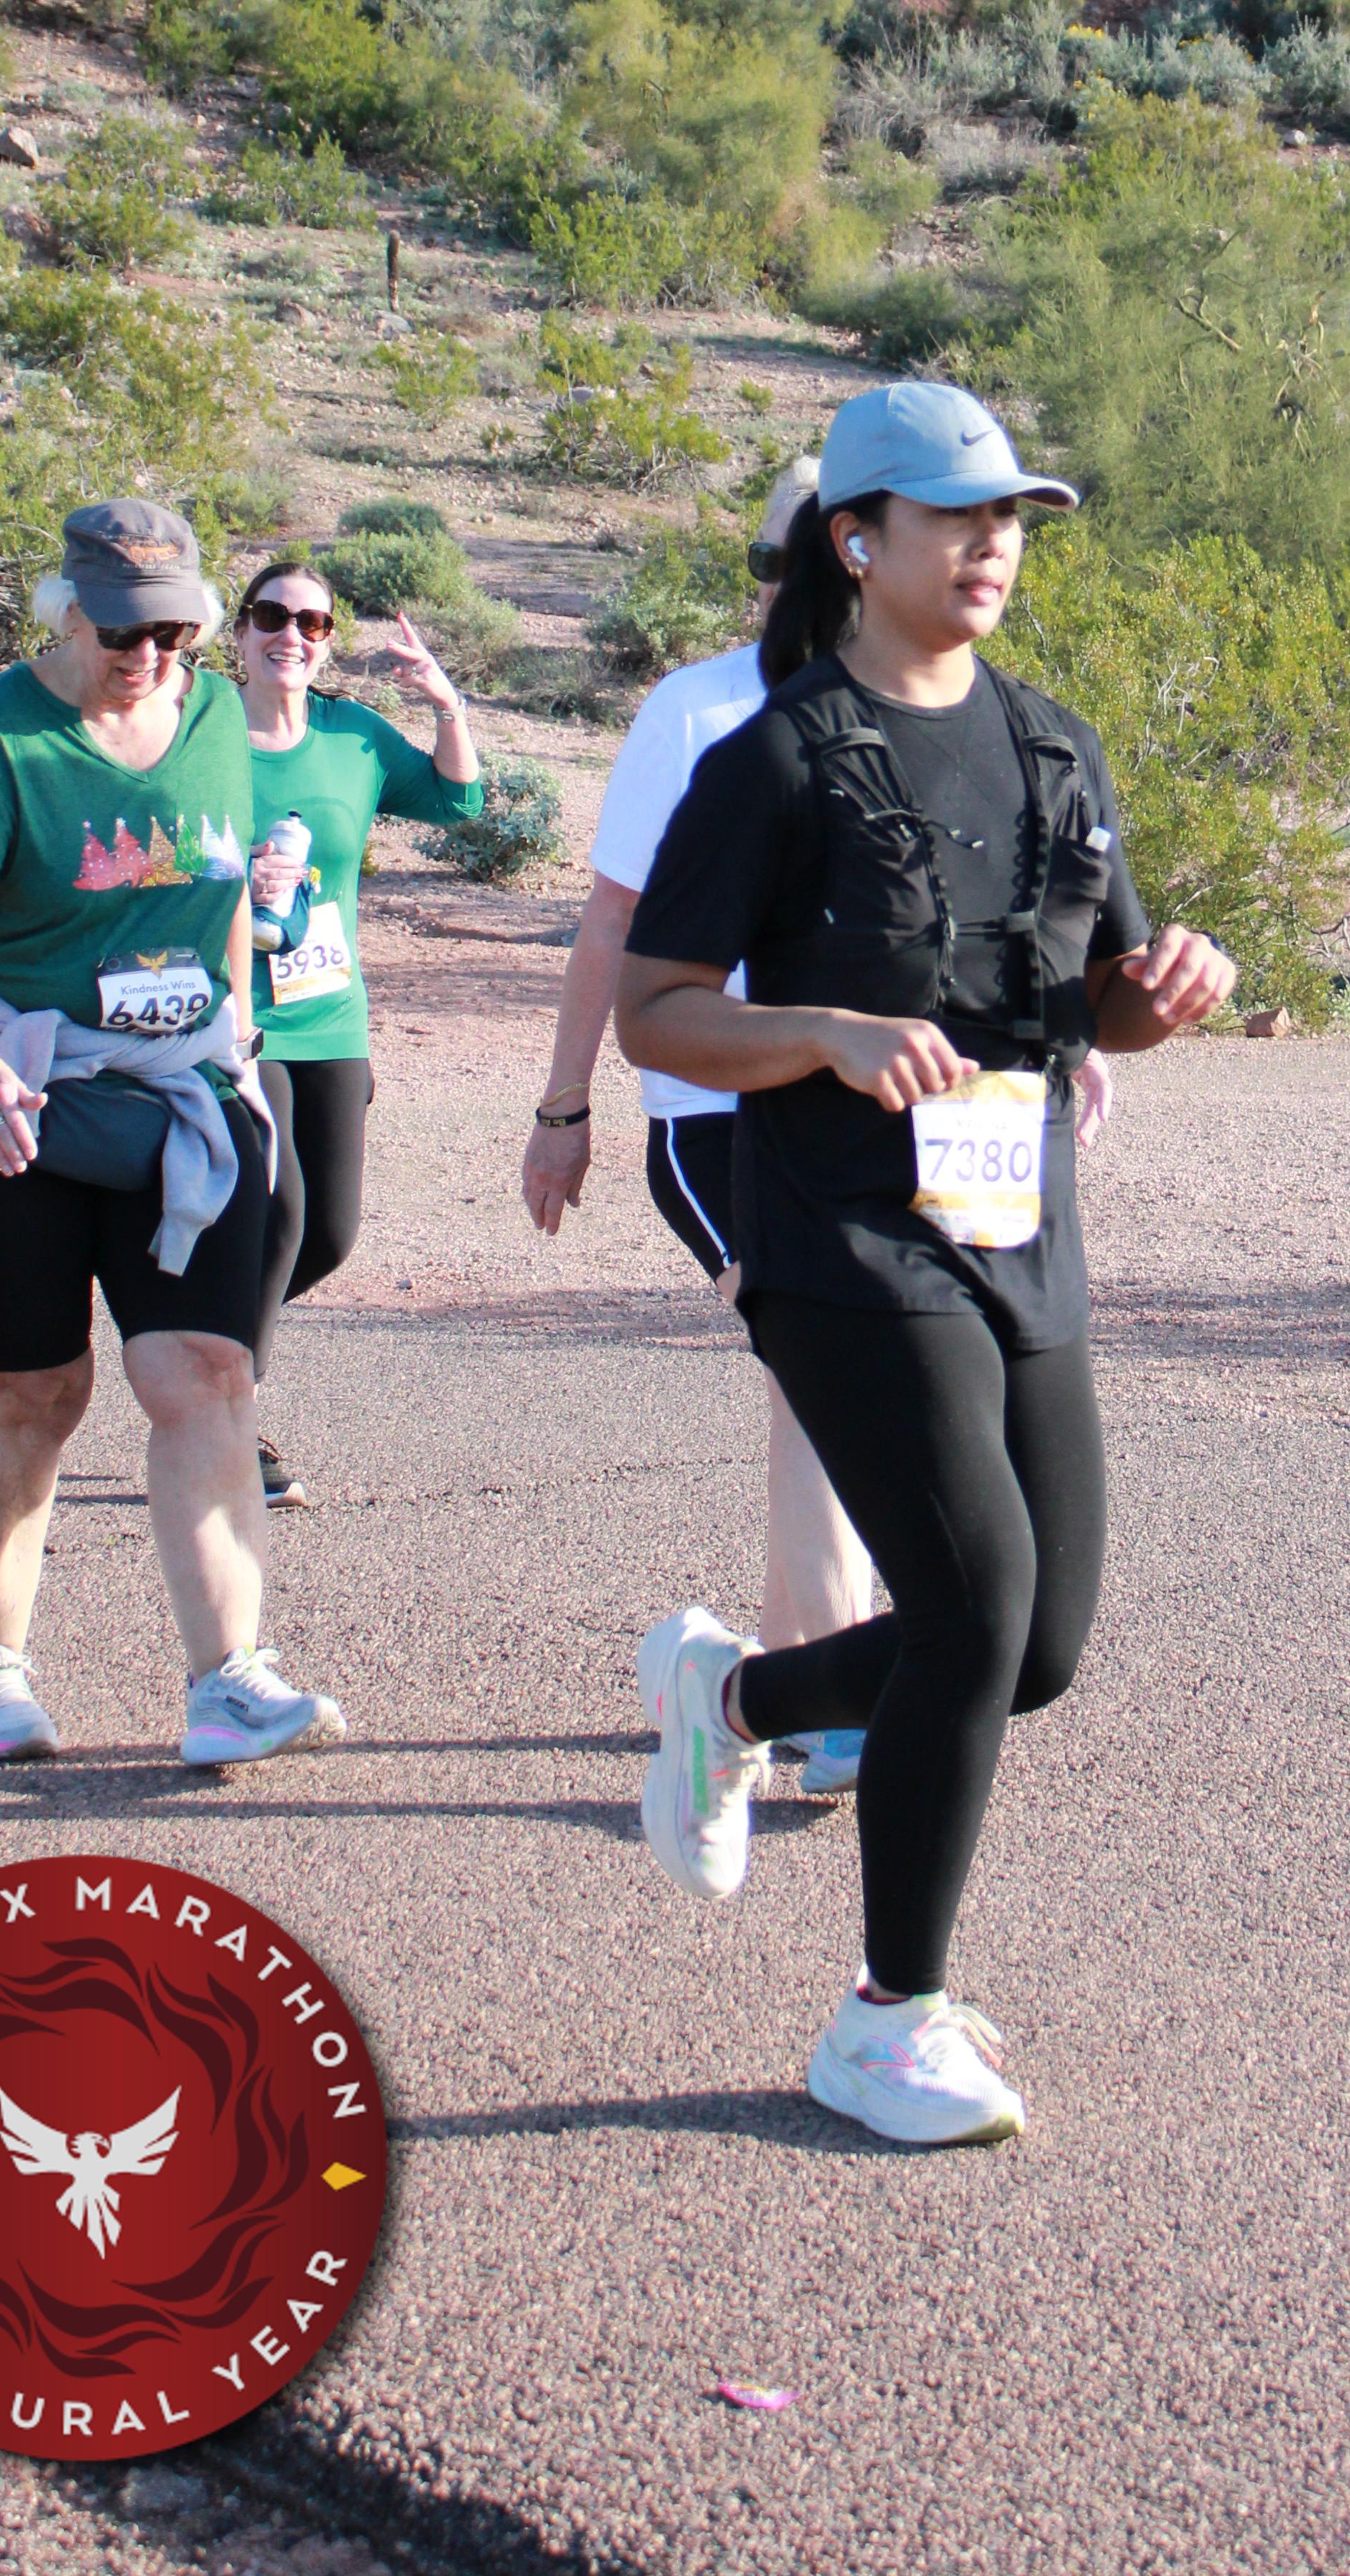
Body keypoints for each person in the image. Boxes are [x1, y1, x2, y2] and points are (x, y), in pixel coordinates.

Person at [616, 381, 1236, 2150]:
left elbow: (1092, 1000)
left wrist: (1164, 994)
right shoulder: (774, 759)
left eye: (1010, 518)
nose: (990, 545)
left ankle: (732, 1698)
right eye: (955, 515)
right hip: (840, 1232)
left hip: (1014, 1219)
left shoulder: (1054, 748)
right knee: (971, 1606)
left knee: (1035, 1649)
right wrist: (820, 1032)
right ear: (855, 539)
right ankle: (887, 2020)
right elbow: (659, 1012)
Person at [0, 496, 344, 1771]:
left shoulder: (216, 714)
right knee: (30, 1393)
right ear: (67, 612)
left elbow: (222, 888)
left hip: (181, 1093)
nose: (148, 657)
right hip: (24, 1095)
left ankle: (229, 1679)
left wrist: (236, 1030)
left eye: (173, 633)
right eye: (123, 632)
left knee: (206, 1376)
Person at [525, 458, 875, 1790]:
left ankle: (777, 1686)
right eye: (788, 561)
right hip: (717, 1110)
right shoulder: (699, 709)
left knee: (844, 1374)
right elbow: (612, 919)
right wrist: (563, 1106)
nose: (804, 587)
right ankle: (831, 1701)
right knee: (826, 1368)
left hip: (869, 1109)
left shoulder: (911, 707)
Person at [235, 553, 482, 1505]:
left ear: (330, 641)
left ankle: (194, 1345)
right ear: (239, 631)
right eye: (272, 616)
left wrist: (446, 706)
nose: (291, 636)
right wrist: (234, 877)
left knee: (329, 1235)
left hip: (330, 1016)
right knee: (280, 1208)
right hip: (234, 1014)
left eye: (313, 623)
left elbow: (457, 803)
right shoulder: (200, 731)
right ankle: (227, 1414)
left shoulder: (354, 737)